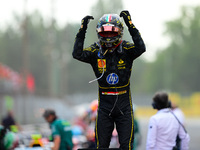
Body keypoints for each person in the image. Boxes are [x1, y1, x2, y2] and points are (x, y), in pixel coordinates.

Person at [72, 10, 146, 150]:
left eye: (112, 32)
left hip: (124, 105)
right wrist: (82, 30)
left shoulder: (126, 48)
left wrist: (131, 25)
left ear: (119, 32)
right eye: (104, 32)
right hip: (104, 107)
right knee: (101, 146)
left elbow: (141, 48)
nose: (108, 36)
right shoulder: (95, 50)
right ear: (99, 33)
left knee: (127, 146)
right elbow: (77, 54)